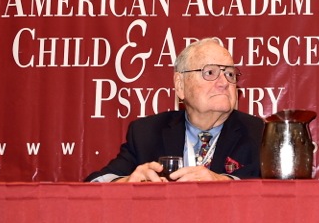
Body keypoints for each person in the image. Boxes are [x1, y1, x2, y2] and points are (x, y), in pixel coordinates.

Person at [85, 37, 264, 182]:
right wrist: (127, 182)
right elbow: (96, 183)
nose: (224, 83)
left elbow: (281, 190)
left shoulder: (261, 134)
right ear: (180, 85)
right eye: (210, 73)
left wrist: (224, 182)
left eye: (230, 74)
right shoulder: (146, 133)